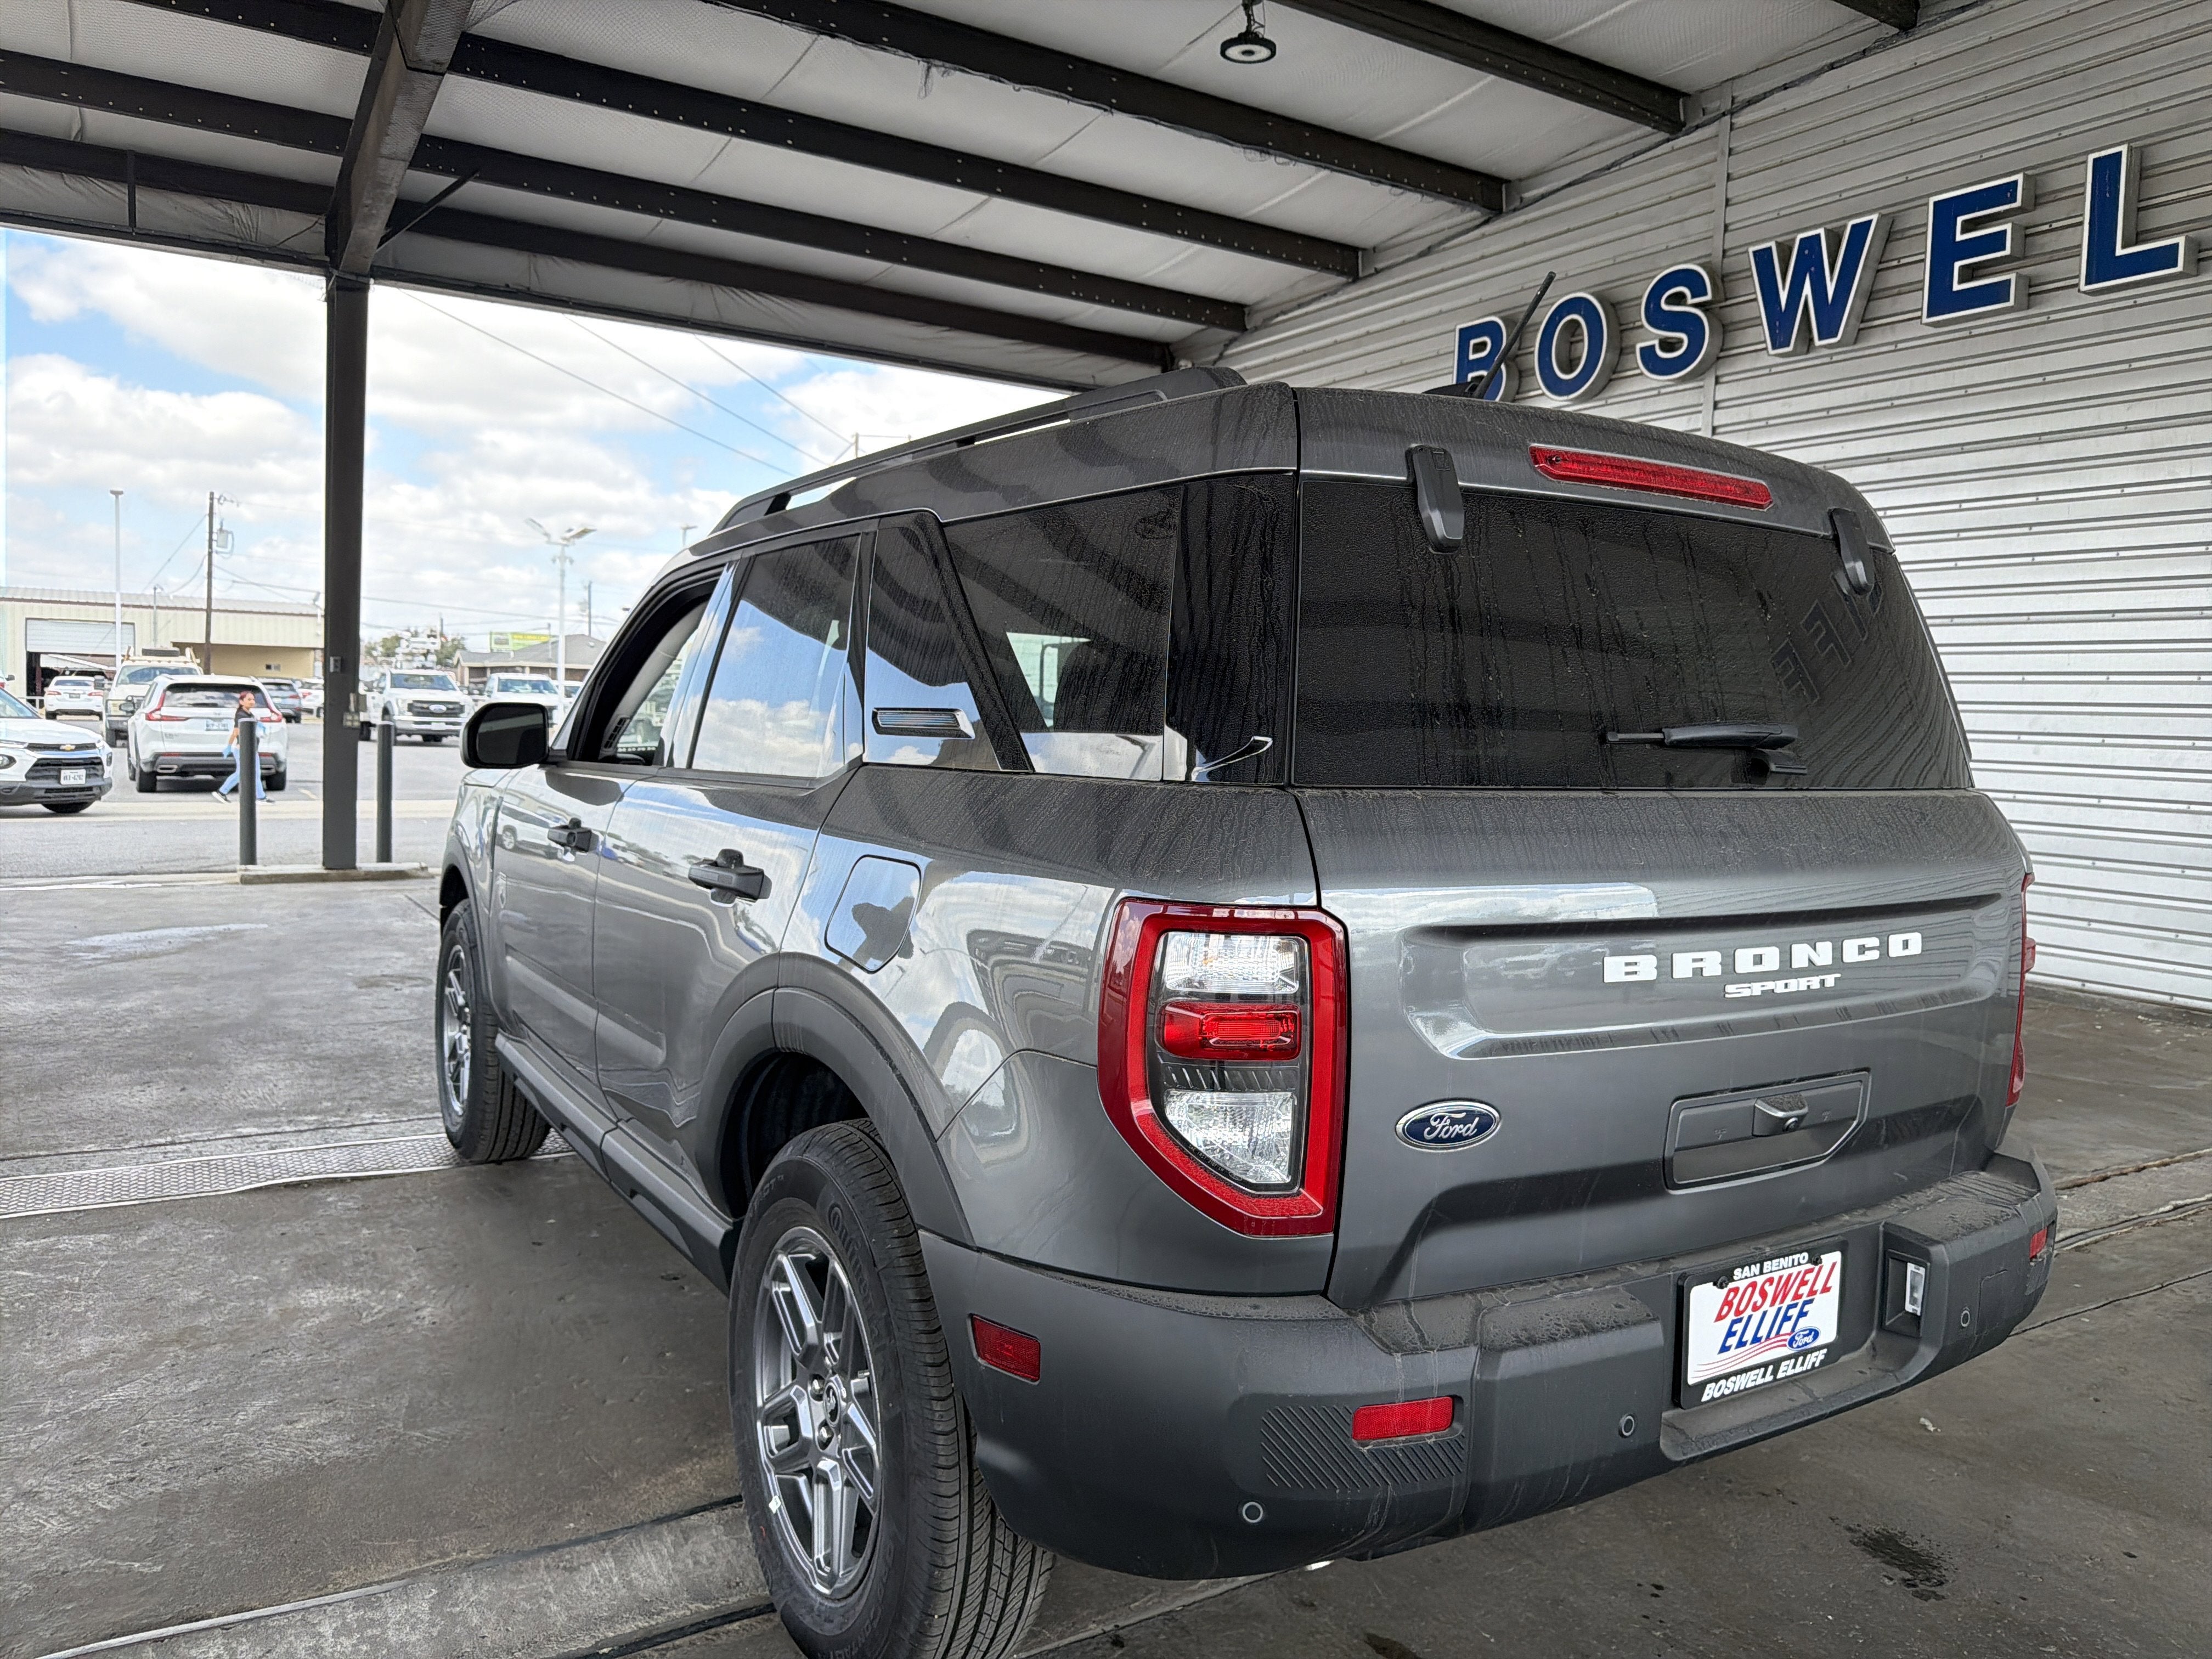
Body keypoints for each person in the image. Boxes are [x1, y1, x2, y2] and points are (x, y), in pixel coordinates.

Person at [215, 688, 267, 802]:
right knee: (243, 773)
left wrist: (259, 726)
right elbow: (237, 732)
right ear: (242, 701)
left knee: (254, 773)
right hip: (244, 749)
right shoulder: (241, 715)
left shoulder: (250, 714)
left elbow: (238, 731)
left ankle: (260, 797)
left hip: (252, 749)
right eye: (249, 699)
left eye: (253, 699)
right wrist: (230, 746)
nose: (252, 702)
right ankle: (222, 792)